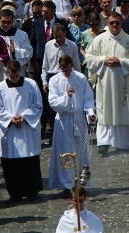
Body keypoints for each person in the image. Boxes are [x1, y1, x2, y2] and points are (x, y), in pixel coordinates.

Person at [85, 11, 129, 155]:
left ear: (121, 23)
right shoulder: (99, 40)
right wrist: (104, 60)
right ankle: (104, 143)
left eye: (117, 23)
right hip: (105, 83)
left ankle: (124, 143)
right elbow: (89, 59)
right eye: (112, 23)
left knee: (123, 110)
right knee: (105, 111)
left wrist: (121, 62)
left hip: (124, 84)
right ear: (107, 24)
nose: (114, 25)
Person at [0, 59, 43, 204]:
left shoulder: (31, 84)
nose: (14, 78)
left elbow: (37, 104)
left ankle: (32, 191)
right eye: (11, 76)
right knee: (11, 163)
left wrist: (24, 117)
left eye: (16, 75)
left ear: (20, 71)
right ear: (7, 72)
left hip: (27, 128)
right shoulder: (0, 88)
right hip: (10, 130)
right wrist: (11, 119)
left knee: (29, 159)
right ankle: (15, 193)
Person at [47, 55, 95, 196]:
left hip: (78, 118)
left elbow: (88, 98)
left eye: (68, 70)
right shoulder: (54, 80)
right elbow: (53, 103)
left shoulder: (80, 78)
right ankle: (66, 185)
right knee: (64, 152)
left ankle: (80, 183)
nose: (67, 74)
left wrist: (90, 112)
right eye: (64, 71)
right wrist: (66, 97)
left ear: (72, 66)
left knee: (80, 151)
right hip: (63, 120)